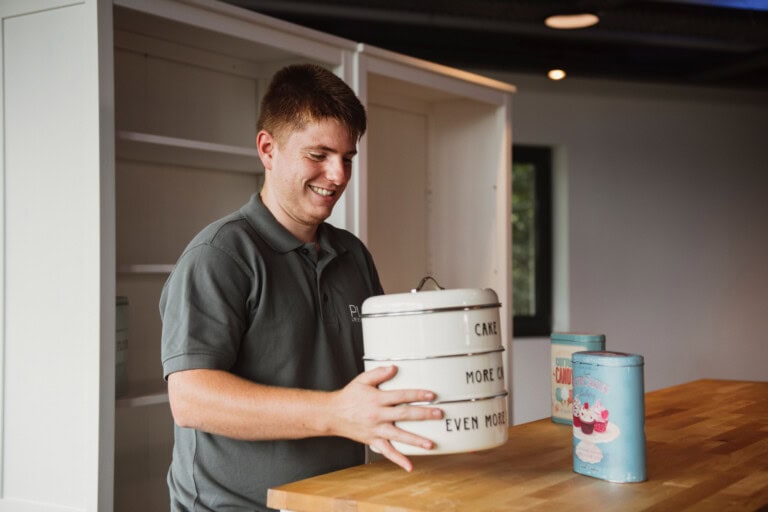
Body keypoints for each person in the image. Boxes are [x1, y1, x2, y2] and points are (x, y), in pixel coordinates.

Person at [159, 63, 442, 511]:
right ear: (268, 149)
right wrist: (335, 414)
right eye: (319, 155)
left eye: (347, 158)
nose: (338, 175)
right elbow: (191, 399)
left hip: (340, 500)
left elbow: (378, 372)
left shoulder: (352, 255)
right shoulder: (220, 255)